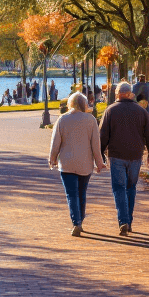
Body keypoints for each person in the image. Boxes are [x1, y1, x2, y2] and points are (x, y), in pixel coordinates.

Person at [99, 81, 149, 235]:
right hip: (135, 155)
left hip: (117, 155)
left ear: (117, 94)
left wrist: (99, 155)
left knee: (119, 188)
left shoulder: (110, 111)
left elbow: (102, 135)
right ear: (130, 93)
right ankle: (128, 221)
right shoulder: (141, 111)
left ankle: (123, 220)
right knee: (131, 188)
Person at [48, 92, 106, 236]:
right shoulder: (91, 120)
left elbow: (55, 142)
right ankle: (80, 219)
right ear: (84, 104)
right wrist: (99, 162)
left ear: (70, 104)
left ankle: (76, 222)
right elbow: (95, 145)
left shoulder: (62, 120)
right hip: (85, 164)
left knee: (71, 194)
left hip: (66, 163)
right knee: (81, 193)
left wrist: (52, 158)